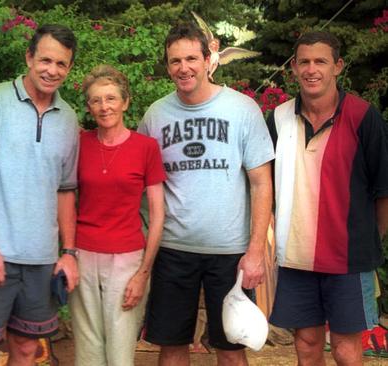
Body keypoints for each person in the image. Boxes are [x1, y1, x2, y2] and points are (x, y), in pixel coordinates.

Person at [137, 22, 274, 366]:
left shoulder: (243, 110)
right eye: (175, 61)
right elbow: (141, 183)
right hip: (172, 250)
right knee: (170, 347)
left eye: (190, 59)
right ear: (167, 65)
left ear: (208, 59)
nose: (183, 68)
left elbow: (261, 183)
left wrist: (256, 250)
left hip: (230, 254)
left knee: (230, 349)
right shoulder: (156, 116)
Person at [0, 24, 80, 366]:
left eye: (61, 64)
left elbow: (65, 191)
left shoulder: (68, 119)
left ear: (69, 68)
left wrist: (68, 252)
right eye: (45, 60)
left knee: (26, 350)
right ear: (29, 57)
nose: (51, 70)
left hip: (41, 261)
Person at [267, 31, 388, 366]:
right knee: (306, 347)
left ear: (338, 66)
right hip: (295, 258)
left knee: (347, 351)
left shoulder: (364, 117)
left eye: (320, 61)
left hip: (348, 259)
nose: (311, 69)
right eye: (303, 61)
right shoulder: (277, 119)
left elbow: (384, 191)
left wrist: (368, 240)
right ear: (292, 68)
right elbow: (261, 184)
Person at [70, 64, 165, 366]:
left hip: (127, 259)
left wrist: (143, 274)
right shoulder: (78, 143)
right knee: (88, 349)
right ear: (88, 106)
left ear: (125, 102)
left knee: (120, 351)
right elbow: (65, 199)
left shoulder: (145, 147)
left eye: (111, 98)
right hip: (83, 254)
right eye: (96, 100)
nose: (104, 106)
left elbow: (158, 216)